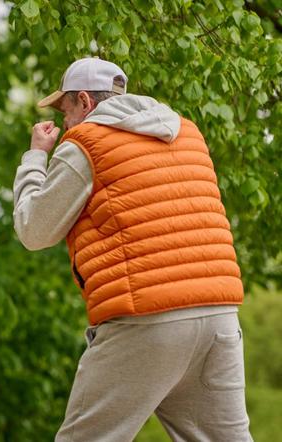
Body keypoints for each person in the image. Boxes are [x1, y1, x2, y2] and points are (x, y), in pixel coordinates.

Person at [13, 57, 252, 441]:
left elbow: (33, 229)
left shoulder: (86, 142)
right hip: (219, 319)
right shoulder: (187, 133)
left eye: (66, 109)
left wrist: (36, 157)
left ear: (86, 102)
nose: (64, 123)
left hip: (147, 321)